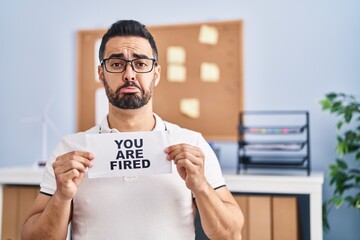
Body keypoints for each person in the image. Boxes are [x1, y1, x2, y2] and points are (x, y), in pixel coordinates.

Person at [21, 19, 244, 240]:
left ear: (156, 73)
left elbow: (231, 234)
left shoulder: (192, 144)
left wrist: (201, 187)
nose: (129, 74)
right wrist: (61, 196)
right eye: (117, 64)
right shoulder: (70, 149)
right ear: (101, 74)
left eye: (140, 64)